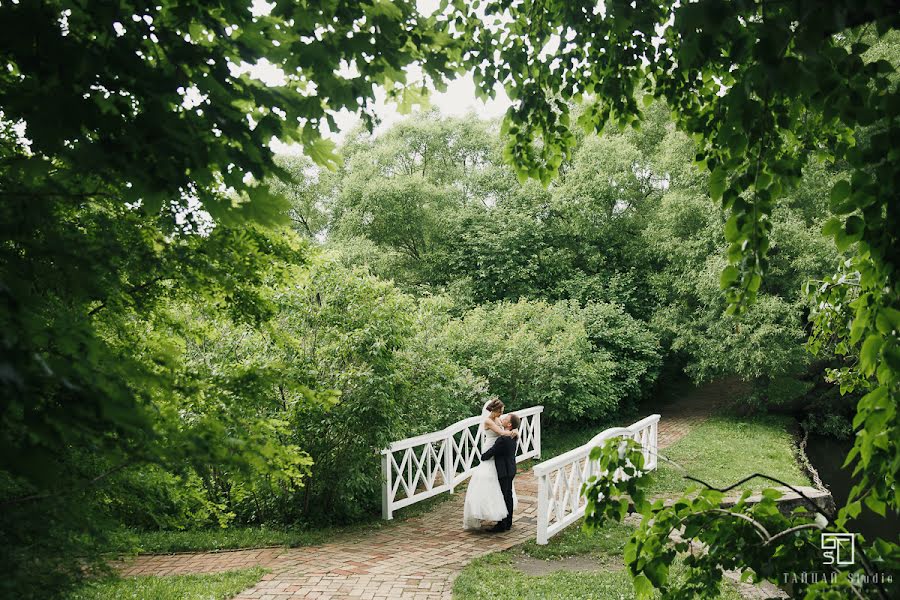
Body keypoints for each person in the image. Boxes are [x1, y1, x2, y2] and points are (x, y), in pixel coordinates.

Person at [462, 399, 519, 530]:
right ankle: (492, 514)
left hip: (498, 451)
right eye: (500, 411)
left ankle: (502, 518)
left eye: (502, 412)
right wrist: (514, 432)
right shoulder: (488, 421)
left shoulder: (498, 420)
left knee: (501, 488)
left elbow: (505, 428)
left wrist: (513, 430)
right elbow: (501, 433)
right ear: (493, 410)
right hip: (491, 449)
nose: (501, 414)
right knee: (487, 482)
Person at [480, 413, 520, 532]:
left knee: (503, 496)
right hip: (511, 468)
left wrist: (483, 457)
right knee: (508, 495)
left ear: (509, 424)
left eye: (505, 419)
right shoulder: (513, 435)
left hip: (503, 470)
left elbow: (493, 451)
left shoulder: (503, 438)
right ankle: (508, 522)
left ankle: (502, 524)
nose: (502, 418)